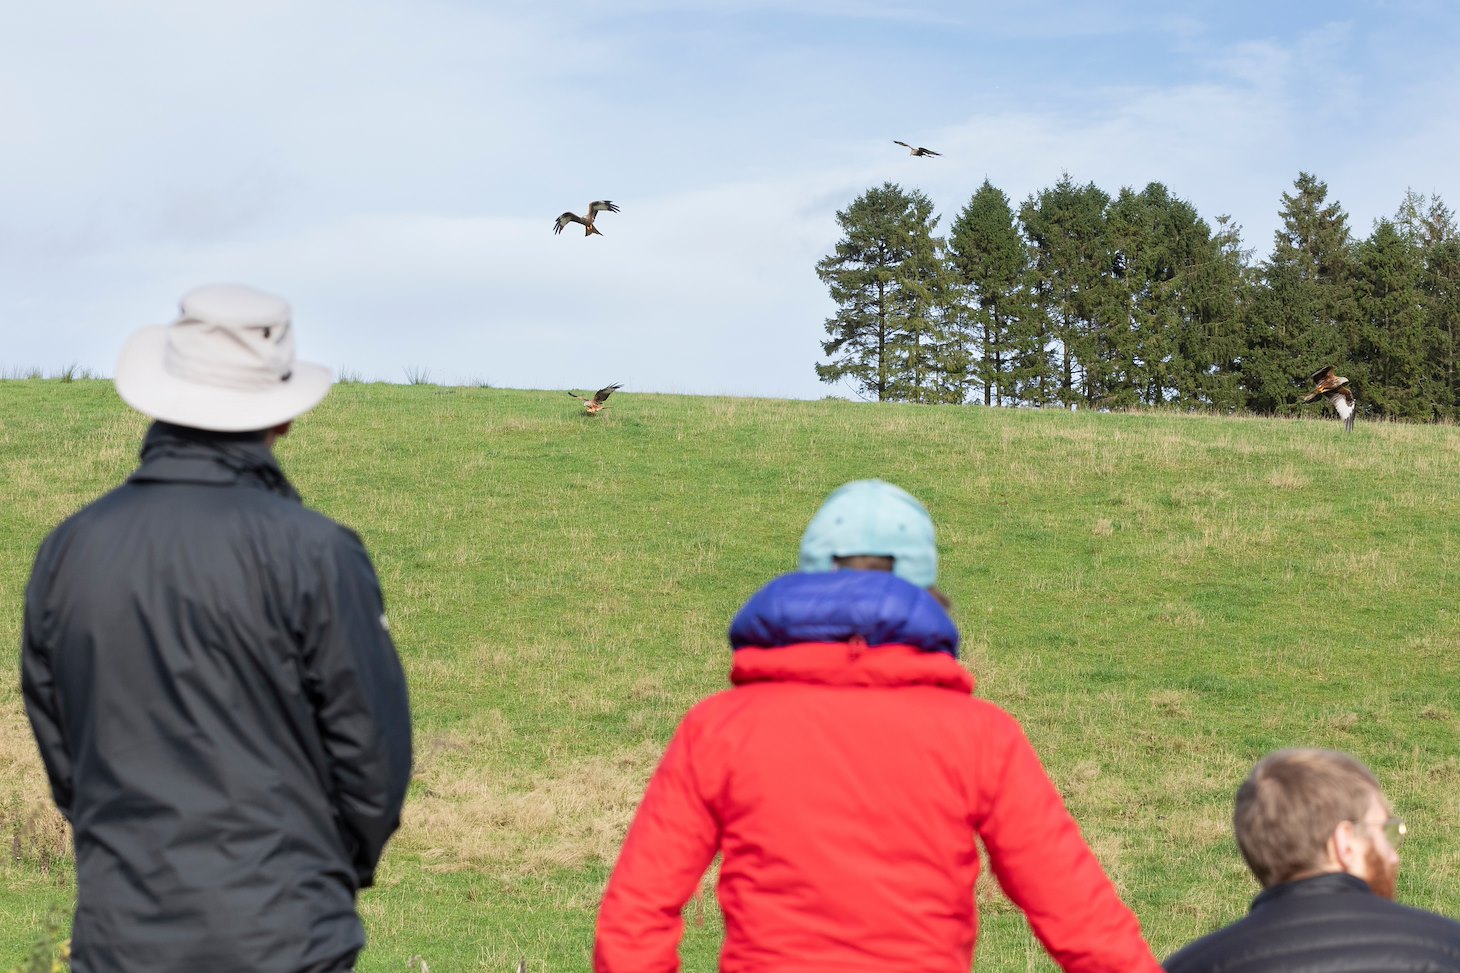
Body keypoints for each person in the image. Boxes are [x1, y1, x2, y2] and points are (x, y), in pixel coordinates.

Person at [594, 479, 1161, 973]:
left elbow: (637, 913)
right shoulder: (981, 735)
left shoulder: (719, 728)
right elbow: (1078, 914)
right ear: (923, 584)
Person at [21, 283, 413, 973]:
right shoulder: (319, 554)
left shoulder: (69, 549)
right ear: (284, 416)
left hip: (123, 931)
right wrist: (321, 874)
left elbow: (61, 745)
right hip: (288, 932)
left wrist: (124, 853)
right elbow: (372, 754)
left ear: (161, 398)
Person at [1163, 748, 1460, 973]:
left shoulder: (1188, 966)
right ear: (1345, 843)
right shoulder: (1447, 949)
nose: (1393, 854)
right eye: (1383, 832)